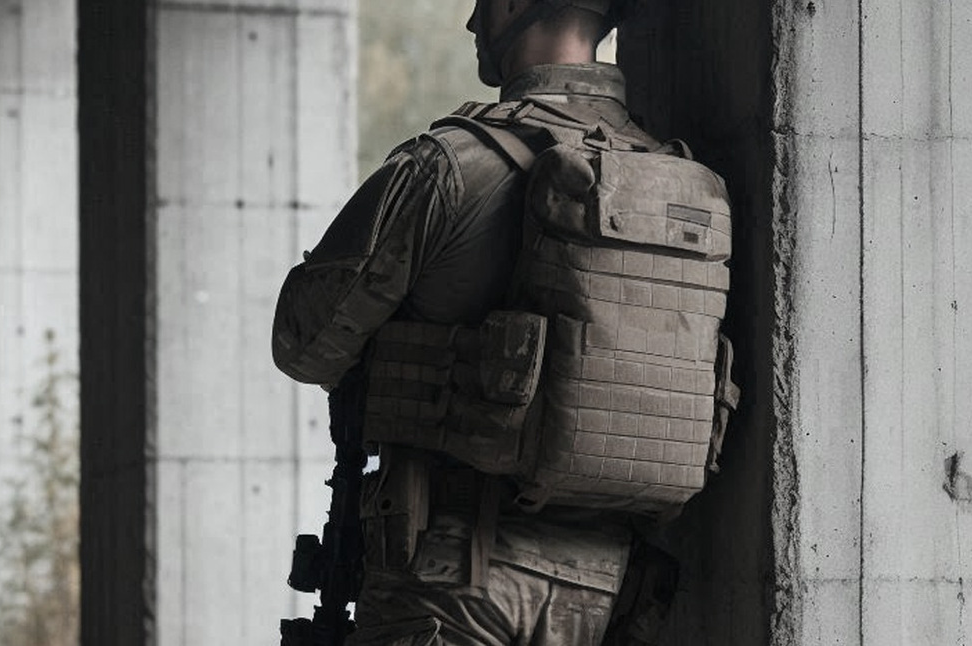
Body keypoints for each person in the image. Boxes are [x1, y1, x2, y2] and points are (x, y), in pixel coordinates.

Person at [273, 1, 681, 643]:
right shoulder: (676, 182)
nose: (471, 24)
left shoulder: (451, 165)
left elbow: (303, 344)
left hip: (447, 579)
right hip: (603, 592)